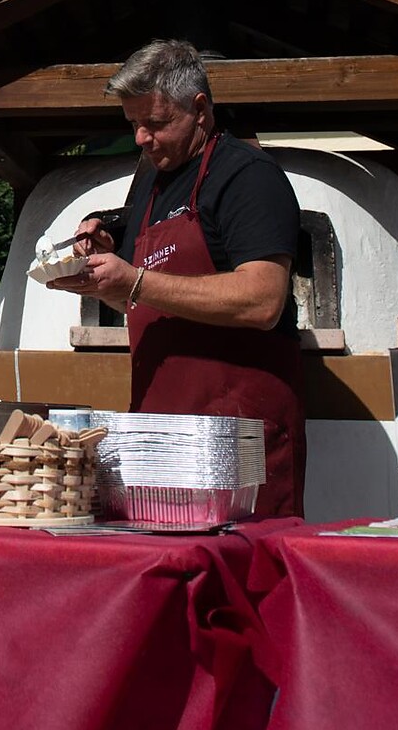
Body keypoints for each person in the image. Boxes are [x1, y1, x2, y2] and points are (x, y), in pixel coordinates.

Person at [48, 39, 306, 516]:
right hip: (161, 437)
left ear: (200, 109)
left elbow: (263, 298)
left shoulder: (248, 176)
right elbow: (138, 299)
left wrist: (135, 282)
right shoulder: (150, 179)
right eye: (134, 125)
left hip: (238, 439)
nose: (143, 139)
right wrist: (101, 279)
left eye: (157, 123)